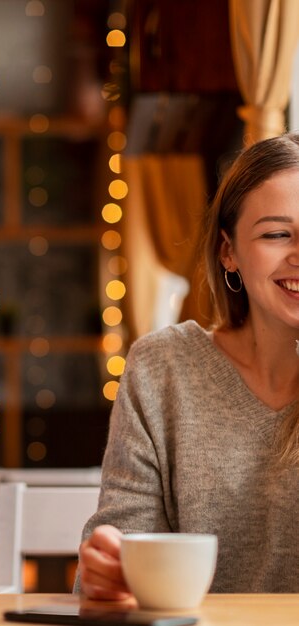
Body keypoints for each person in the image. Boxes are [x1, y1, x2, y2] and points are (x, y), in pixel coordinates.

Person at [77, 132, 299, 597]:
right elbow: (120, 558)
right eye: (277, 234)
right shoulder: (162, 369)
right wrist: (109, 573)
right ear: (229, 252)